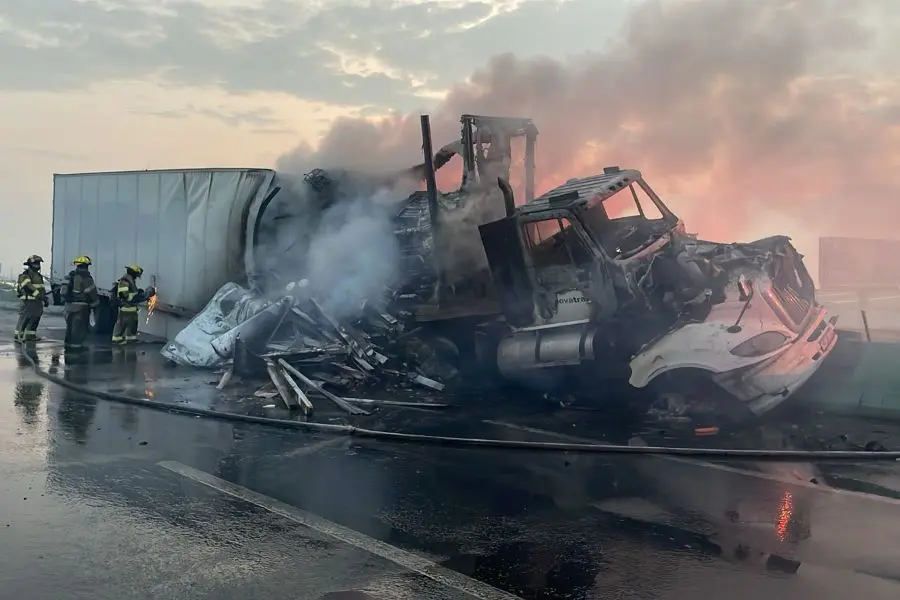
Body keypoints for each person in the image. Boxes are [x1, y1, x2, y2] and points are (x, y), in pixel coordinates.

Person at [111, 264, 155, 345]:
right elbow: (125, 295)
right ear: (134, 273)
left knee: (131, 325)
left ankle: (130, 339)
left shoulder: (129, 279)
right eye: (137, 275)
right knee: (123, 324)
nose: (137, 277)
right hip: (126, 308)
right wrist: (144, 294)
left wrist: (139, 292)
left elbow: (131, 292)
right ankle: (117, 340)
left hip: (130, 309)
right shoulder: (125, 281)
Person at [63, 256, 99, 350]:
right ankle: (76, 348)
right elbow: (93, 293)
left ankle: (68, 345)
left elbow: (63, 292)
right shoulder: (87, 278)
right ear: (86, 266)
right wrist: (95, 303)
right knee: (79, 328)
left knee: (70, 326)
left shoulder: (70, 276)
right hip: (81, 306)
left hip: (69, 306)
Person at [14, 255, 48, 342]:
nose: (38, 265)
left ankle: (30, 335)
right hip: (28, 301)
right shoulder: (25, 275)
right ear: (30, 264)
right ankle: (18, 335)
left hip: (37, 301)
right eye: (35, 263)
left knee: (36, 317)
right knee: (26, 317)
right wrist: (39, 295)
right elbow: (28, 287)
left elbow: (41, 288)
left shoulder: (38, 276)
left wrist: (44, 298)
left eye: (39, 263)